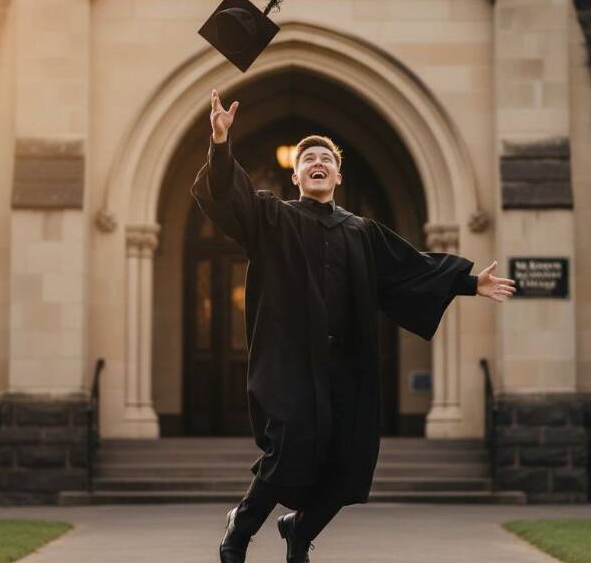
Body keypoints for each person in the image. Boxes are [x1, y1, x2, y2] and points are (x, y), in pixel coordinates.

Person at [191, 89, 516, 563]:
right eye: (309, 159)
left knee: (351, 466)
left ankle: (298, 530)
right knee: (289, 448)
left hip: (346, 367)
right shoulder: (272, 218)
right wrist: (220, 143)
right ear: (296, 174)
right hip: (290, 365)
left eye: (326, 158)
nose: (317, 162)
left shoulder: (362, 232)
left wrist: (468, 283)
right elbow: (228, 196)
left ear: (338, 175)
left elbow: (410, 269)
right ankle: (242, 526)